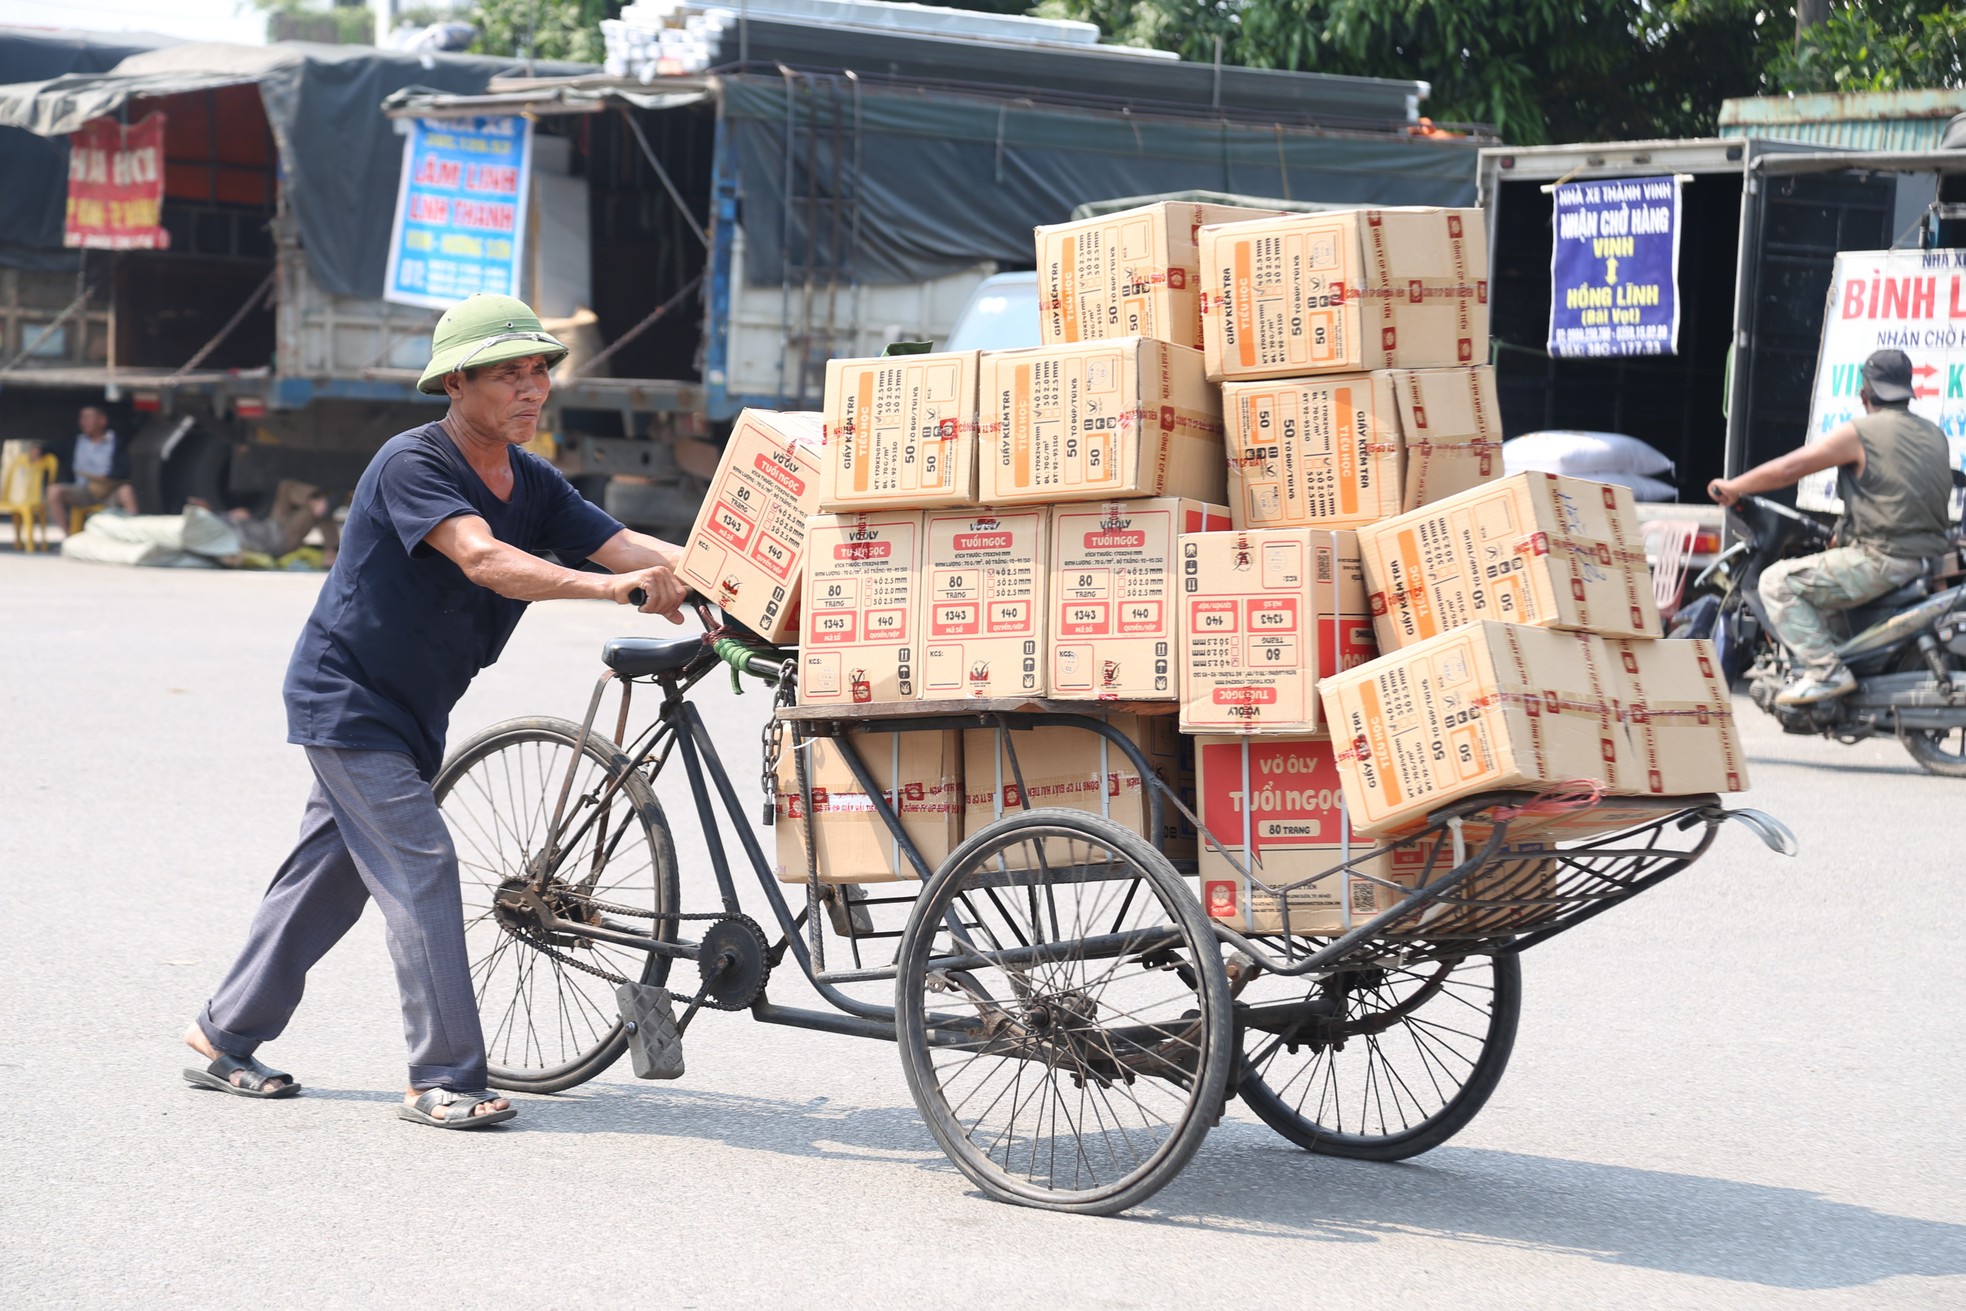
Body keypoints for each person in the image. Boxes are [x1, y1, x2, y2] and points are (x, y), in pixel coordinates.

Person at [181, 294, 689, 1129]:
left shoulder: (533, 481)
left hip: (418, 706)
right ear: (456, 384)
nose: (532, 390)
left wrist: (741, 577)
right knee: (422, 864)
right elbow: (483, 557)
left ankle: (221, 1033)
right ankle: (443, 1075)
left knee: (326, 881)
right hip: (348, 698)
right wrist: (609, 588)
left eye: (539, 372)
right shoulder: (412, 463)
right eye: (508, 375)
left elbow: (631, 546)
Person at [1708, 348, 1953, 705]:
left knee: (1776, 582)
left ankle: (1826, 671)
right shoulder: (1934, 433)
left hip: (1881, 561)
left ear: (1864, 393)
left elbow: (1790, 469)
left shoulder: (1861, 433)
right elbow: (1893, 496)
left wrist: (1734, 487)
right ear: (1906, 390)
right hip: (1927, 559)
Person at [38, 405, 136, 536]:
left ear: (102, 421)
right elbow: (53, 446)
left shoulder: (117, 442)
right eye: (82, 417)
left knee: (127, 491)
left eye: (88, 417)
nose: (83, 421)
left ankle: (132, 533)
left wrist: (108, 478)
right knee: (53, 491)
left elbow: (126, 469)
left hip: (108, 489)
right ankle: (69, 536)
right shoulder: (75, 441)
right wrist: (40, 449)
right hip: (83, 490)